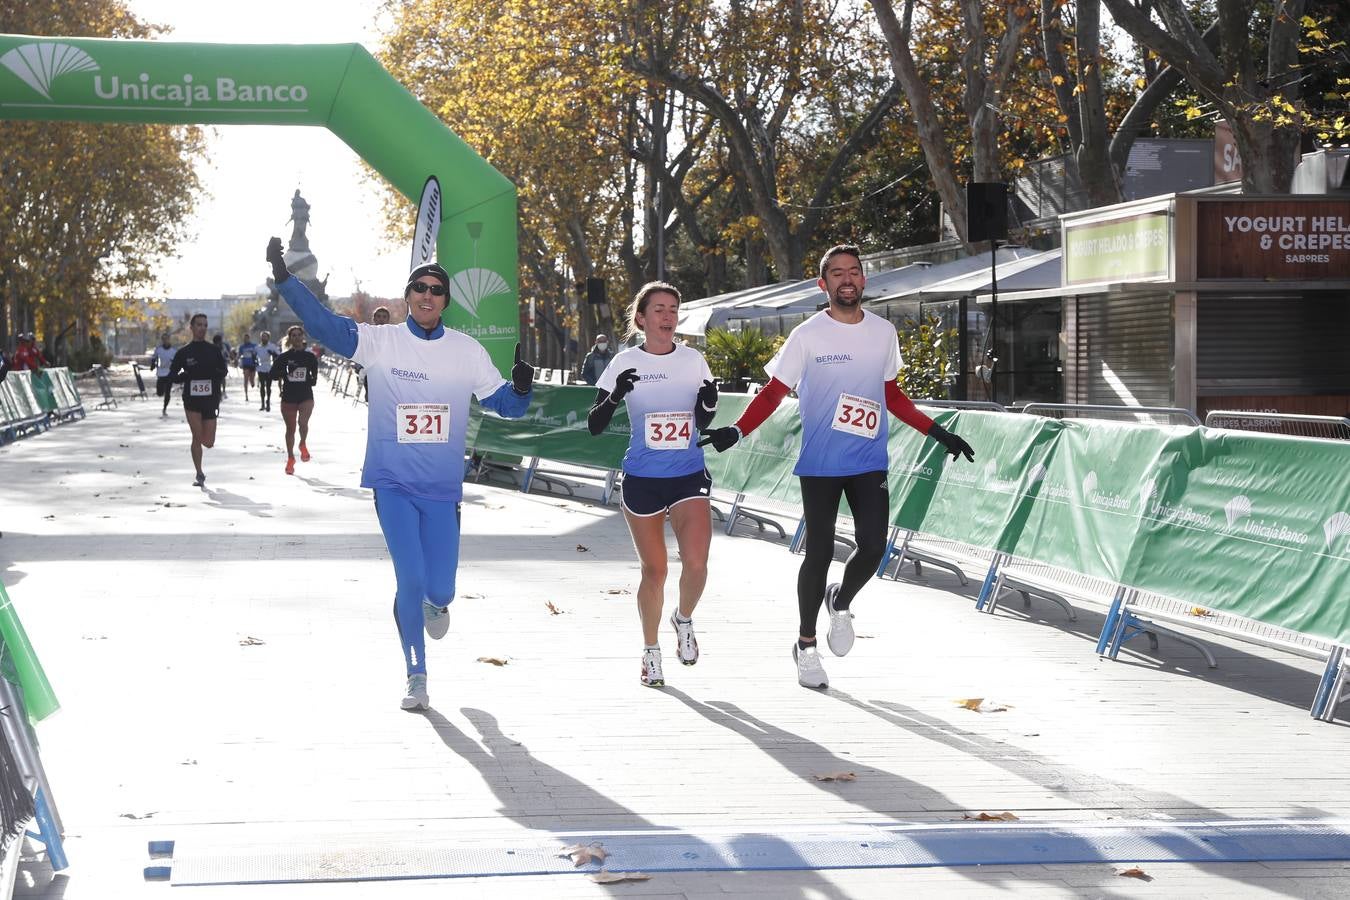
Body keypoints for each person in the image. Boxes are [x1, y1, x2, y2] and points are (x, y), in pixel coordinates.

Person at [266, 237, 535, 711]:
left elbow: (506, 408)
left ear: (446, 301)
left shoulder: (466, 352)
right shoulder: (380, 342)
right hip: (391, 484)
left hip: (442, 490)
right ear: (408, 295)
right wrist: (285, 279)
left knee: (441, 589)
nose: (427, 295)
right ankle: (417, 673)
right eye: (419, 287)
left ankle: (436, 602)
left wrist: (522, 387)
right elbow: (323, 325)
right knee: (409, 578)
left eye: (436, 289)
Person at [699, 244, 975, 689]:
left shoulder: (884, 332)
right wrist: (737, 430)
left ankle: (840, 602)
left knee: (873, 547)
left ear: (864, 280)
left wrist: (936, 431)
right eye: (837, 273)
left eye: (854, 272)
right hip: (822, 463)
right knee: (821, 553)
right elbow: (774, 392)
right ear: (822, 284)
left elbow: (891, 394)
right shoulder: (808, 336)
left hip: (868, 460)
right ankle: (806, 646)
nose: (847, 279)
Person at [587, 284, 717, 688]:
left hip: (688, 474)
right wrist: (615, 397)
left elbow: (703, 419)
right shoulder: (624, 361)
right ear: (641, 318)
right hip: (643, 478)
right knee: (655, 570)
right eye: (658, 309)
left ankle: (683, 619)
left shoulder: (694, 360)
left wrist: (708, 406)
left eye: (673, 310)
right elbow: (595, 424)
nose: (667, 316)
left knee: (696, 562)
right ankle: (650, 653)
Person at [167, 313, 228, 488]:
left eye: (205, 325)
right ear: (191, 328)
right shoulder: (184, 352)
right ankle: (199, 473)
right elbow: (172, 375)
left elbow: (223, 371)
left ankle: (200, 444)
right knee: (196, 435)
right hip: (192, 400)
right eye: (199, 325)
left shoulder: (214, 350)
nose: (202, 328)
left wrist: (213, 375)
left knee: (208, 442)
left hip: (210, 400)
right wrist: (183, 377)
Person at [274, 325, 319, 475]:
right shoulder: (283, 357)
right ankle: (291, 458)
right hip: (289, 397)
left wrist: (310, 378)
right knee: (290, 429)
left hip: (306, 395)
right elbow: (272, 375)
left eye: (299, 335)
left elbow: (314, 379)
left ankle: (302, 443)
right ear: (290, 338)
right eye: (293, 335)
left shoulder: (310, 357)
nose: (297, 337)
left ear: (303, 337)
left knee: (303, 423)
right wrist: (286, 371)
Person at [148, 332, 177, 417]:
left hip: (169, 374)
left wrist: (175, 371)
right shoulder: (159, 350)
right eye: (163, 339)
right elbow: (154, 358)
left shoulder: (173, 351)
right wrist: (152, 365)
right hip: (161, 373)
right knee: (160, 393)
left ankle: (164, 408)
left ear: (169, 340)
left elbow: (176, 363)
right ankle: (162, 391)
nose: (165, 341)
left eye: (166, 339)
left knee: (167, 393)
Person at [256, 330, 280, 412]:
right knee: (262, 386)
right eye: (262, 337)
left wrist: (273, 353)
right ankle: (262, 403)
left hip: (269, 368)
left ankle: (268, 402)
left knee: (268, 386)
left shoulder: (272, 346)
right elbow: (254, 357)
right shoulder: (258, 347)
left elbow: (279, 355)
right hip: (260, 368)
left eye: (265, 337)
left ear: (268, 338)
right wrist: (254, 361)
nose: (264, 338)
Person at [237, 332, 260, 403]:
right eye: (244, 338)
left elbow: (257, 353)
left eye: (247, 338)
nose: (245, 340)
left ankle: (252, 382)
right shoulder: (242, 347)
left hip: (252, 364)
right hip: (245, 364)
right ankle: (246, 395)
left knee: (252, 381)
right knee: (245, 379)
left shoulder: (254, 345)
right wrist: (235, 360)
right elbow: (239, 355)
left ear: (249, 339)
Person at [212, 334, 231, 400]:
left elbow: (227, 355)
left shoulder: (223, 347)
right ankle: (218, 392)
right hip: (215, 366)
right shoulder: (212, 348)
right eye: (219, 341)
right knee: (217, 380)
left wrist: (227, 359)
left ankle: (223, 391)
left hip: (223, 365)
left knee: (223, 378)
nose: (220, 343)